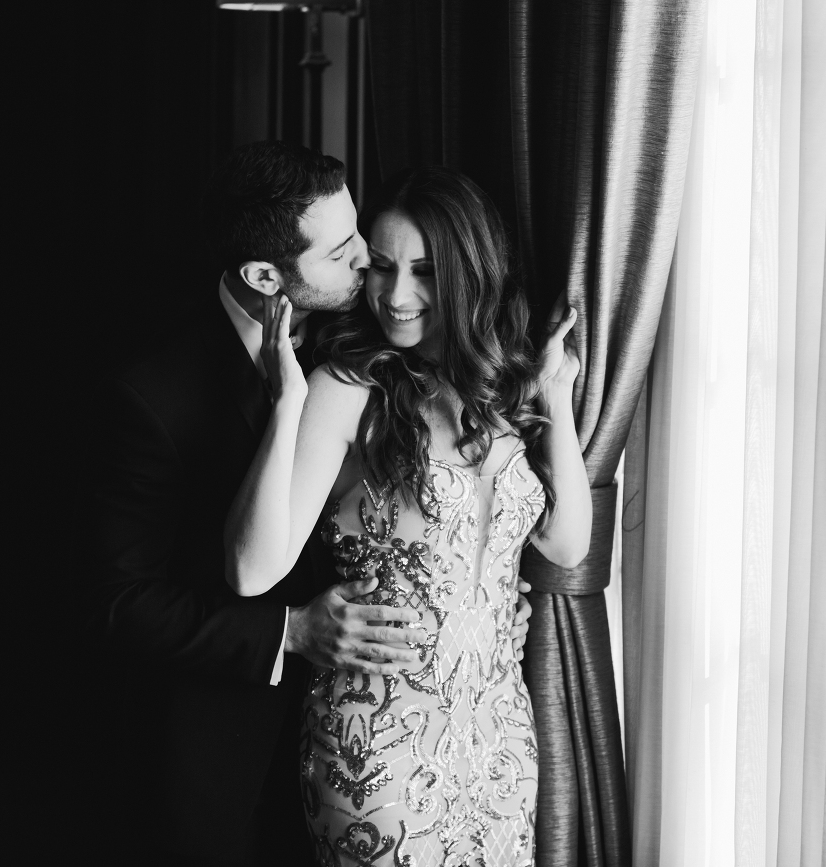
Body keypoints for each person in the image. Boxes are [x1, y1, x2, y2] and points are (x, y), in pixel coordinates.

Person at [85, 144, 535, 865]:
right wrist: (288, 631)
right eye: (344, 251)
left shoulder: (372, 332)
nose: (370, 264)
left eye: (362, 234)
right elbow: (121, 600)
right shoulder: (152, 395)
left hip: (412, 722)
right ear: (267, 276)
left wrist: (476, 600)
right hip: (232, 736)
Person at [224, 166, 591, 867]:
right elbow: (250, 571)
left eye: (423, 271)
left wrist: (558, 400)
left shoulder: (505, 386)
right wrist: (285, 402)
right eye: (382, 268)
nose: (395, 296)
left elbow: (566, 544)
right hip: (378, 747)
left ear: (469, 272)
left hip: (499, 733)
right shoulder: (347, 387)